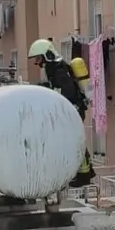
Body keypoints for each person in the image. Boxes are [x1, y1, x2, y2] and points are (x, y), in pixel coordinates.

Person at [28, 38, 96, 188]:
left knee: (74, 141)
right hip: (70, 110)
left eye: (38, 58)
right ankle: (83, 172)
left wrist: (49, 91)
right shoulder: (54, 68)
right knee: (70, 140)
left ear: (47, 55)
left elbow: (68, 91)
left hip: (73, 110)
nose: (37, 63)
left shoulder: (58, 69)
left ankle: (84, 175)